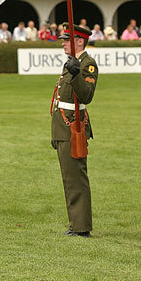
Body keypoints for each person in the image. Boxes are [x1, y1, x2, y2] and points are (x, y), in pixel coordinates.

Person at [50, 23, 98, 238]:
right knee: (68, 177)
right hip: (63, 125)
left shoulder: (87, 64)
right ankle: (76, 223)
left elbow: (86, 95)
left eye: (66, 39)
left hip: (74, 127)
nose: (62, 43)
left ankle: (81, 226)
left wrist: (76, 73)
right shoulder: (72, 62)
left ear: (80, 41)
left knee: (76, 177)